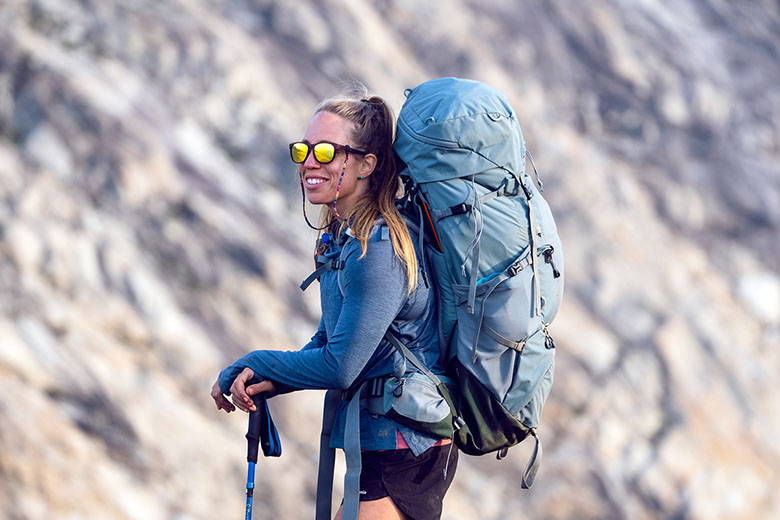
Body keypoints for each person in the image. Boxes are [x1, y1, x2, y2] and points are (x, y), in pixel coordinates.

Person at [210, 89, 458, 520]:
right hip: (388, 440)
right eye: (304, 149)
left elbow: (341, 365)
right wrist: (266, 377)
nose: (310, 161)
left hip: (407, 449)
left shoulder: (378, 248)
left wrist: (257, 360)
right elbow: (329, 342)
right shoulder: (343, 241)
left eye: (326, 151)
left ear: (367, 164)